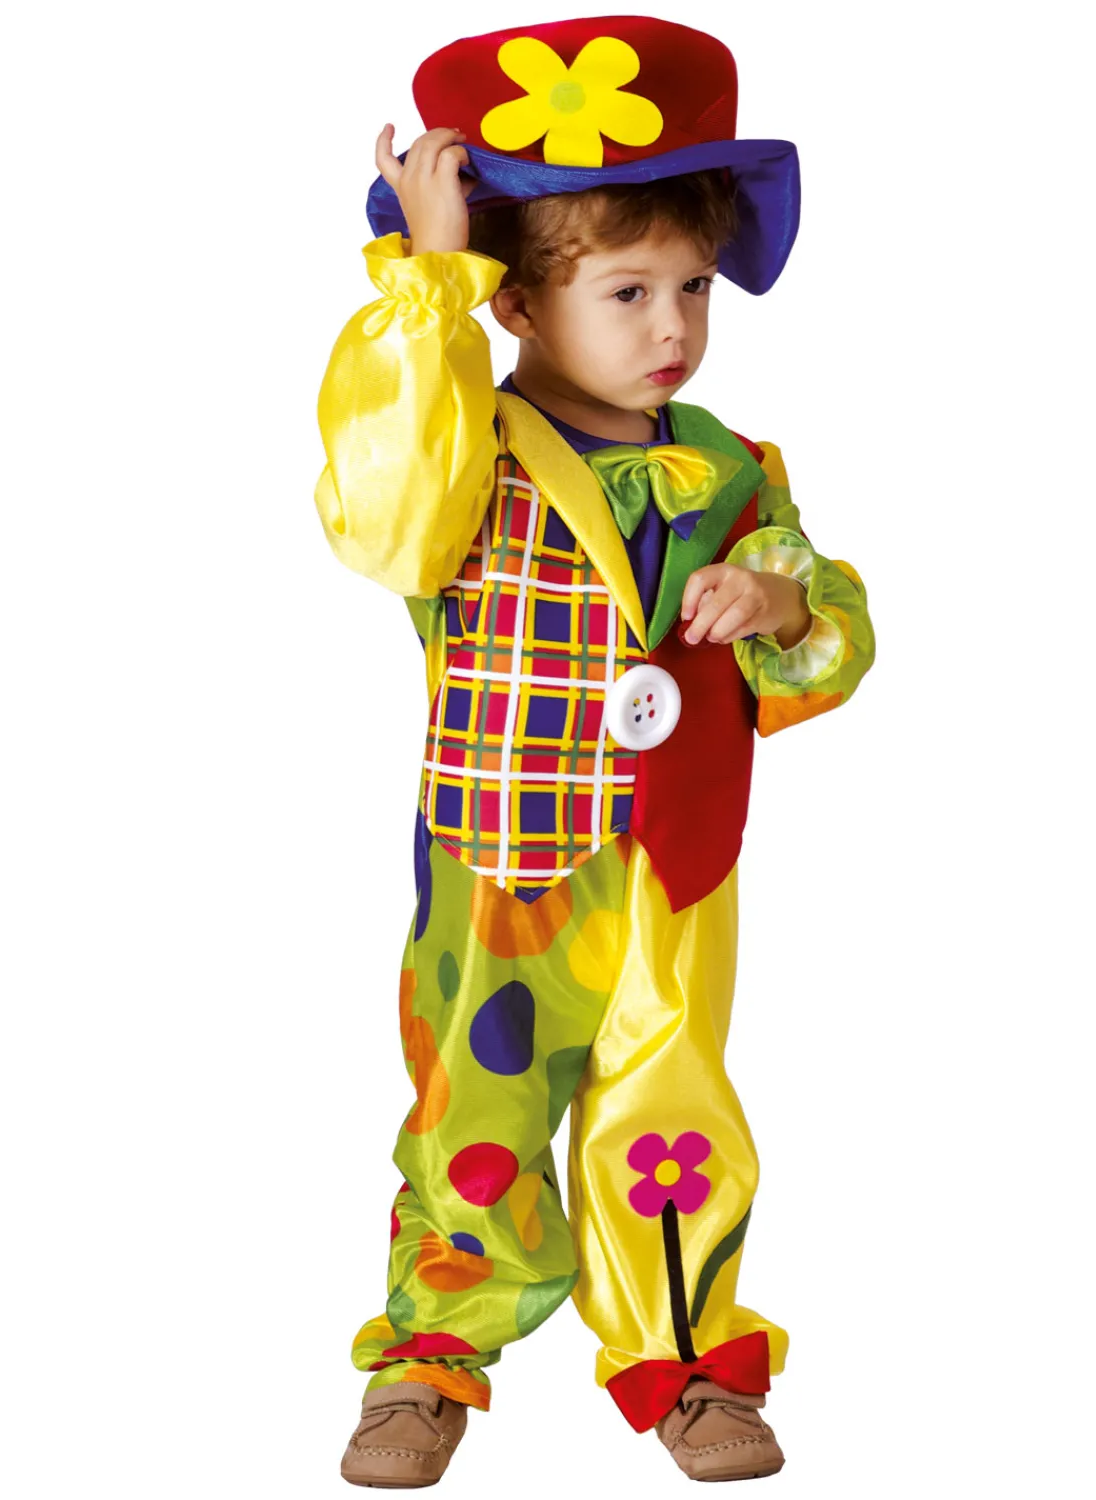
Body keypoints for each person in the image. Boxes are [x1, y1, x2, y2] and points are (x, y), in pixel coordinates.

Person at [312, 16, 876, 1486]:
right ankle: (433, 1353)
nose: (672, 324)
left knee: (672, 1108)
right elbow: (381, 513)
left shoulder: (729, 463)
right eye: (627, 291)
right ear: (516, 300)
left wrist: (780, 602)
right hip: (502, 860)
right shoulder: (465, 447)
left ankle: (684, 1354)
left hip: (674, 862)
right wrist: (428, 280)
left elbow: (828, 623)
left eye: (693, 286)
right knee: (477, 1107)